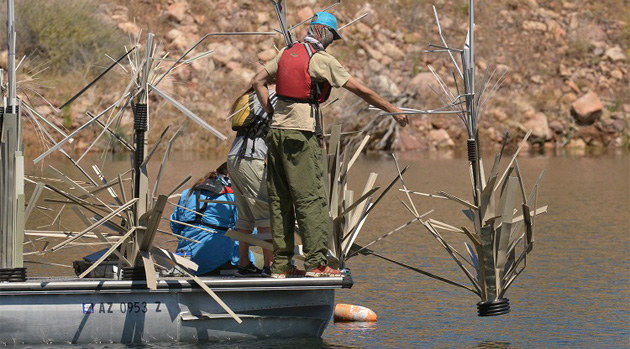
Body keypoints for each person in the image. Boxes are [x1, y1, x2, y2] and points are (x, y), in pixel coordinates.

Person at [251, 12, 409, 278]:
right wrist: (393, 109)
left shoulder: (286, 52)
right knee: (311, 199)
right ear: (323, 32)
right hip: (301, 134)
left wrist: (271, 111)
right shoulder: (321, 59)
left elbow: (257, 81)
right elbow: (361, 90)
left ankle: (281, 267)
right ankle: (315, 265)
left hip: (276, 132)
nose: (332, 42)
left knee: (280, 200)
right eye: (332, 37)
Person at [226, 88, 278, 277]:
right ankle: (270, 265)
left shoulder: (249, 96)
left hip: (234, 158)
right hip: (251, 158)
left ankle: (244, 263)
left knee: (246, 214)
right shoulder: (272, 95)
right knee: (265, 210)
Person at [170, 164, 251, 275]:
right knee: (259, 260)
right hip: (217, 261)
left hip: (185, 260)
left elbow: (175, 227)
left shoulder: (187, 193)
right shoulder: (231, 197)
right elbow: (245, 233)